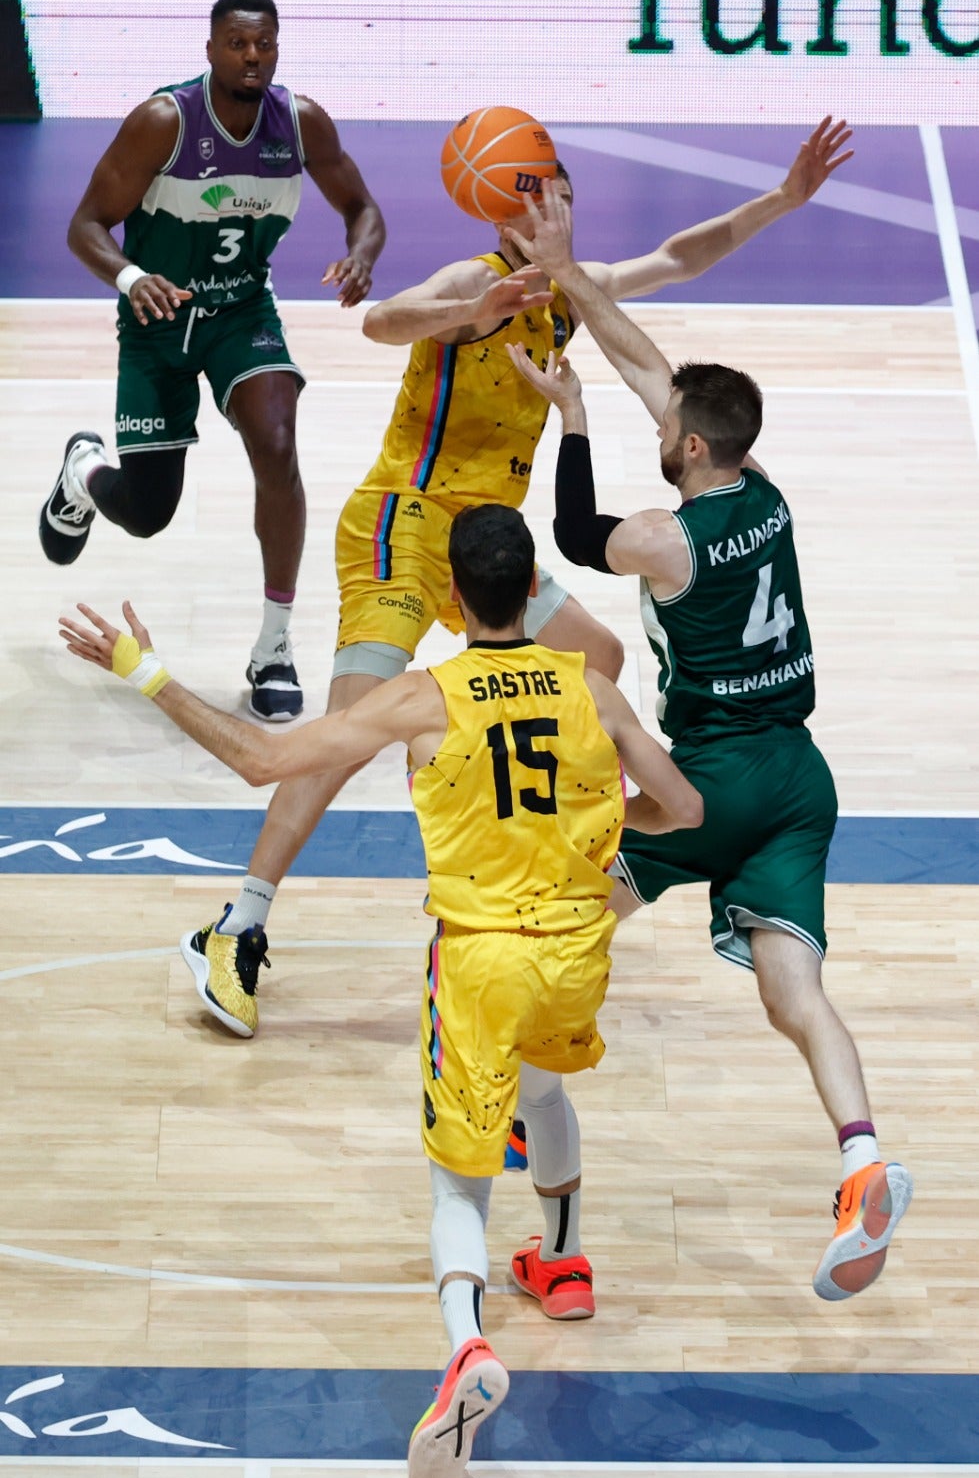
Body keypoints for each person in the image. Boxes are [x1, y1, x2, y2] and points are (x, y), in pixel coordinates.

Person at [58, 503, 704, 1478]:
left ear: (451, 598)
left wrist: (143, 671)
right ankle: (564, 1264)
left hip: (482, 958)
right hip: (576, 948)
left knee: (458, 1176)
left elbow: (261, 760)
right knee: (544, 1091)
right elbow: (684, 808)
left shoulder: (421, 697)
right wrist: (606, 829)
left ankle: (463, 1346)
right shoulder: (594, 689)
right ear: (533, 589)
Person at [180, 116, 854, 1039]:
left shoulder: (571, 293)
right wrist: (467, 317)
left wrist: (781, 199)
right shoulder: (476, 281)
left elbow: (679, 256)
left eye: (566, 195)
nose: (562, 209)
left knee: (602, 659)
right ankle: (237, 923)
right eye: (546, 194)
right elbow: (382, 320)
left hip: (489, 542)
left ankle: (550, 817)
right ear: (510, 208)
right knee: (343, 737)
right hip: (403, 526)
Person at [501, 173, 913, 1305]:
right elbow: (652, 365)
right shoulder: (765, 494)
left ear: (683, 448)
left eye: (663, 426)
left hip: (712, 778)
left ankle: (531, 1112)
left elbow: (577, 532)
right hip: (799, 777)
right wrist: (573, 271)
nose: (658, 420)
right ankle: (861, 1159)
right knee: (795, 994)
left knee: (569, 903)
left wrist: (569, 414)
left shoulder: (667, 541)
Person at [38, 0, 386, 722]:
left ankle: (274, 645)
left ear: (277, 49)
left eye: (263, 44)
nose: (252, 56)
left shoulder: (300, 122)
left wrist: (359, 257)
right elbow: (86, 226)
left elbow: (363, 208)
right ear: (210, 50)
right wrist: (133, 278)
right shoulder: (164, 122)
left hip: (239, 313)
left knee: (277, 442)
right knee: (146, 513)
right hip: (158, 319)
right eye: (236, 43)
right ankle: (82, 470)